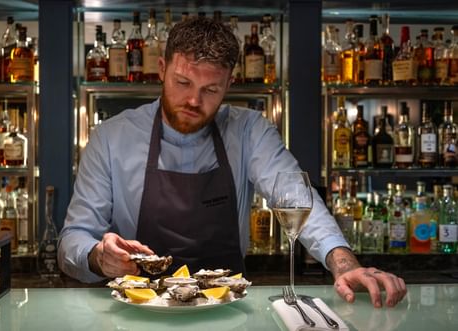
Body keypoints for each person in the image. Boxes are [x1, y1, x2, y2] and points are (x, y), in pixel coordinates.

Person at [58, 17, 406, 308]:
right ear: (162, 69)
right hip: (139, 314)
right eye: (182, 82)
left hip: (226, 312)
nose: (194, 100)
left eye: (211, 89)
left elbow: (295, 196)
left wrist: (343, 262)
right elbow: (72, 239)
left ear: (230, 83)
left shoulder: (249, 129)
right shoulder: (110, 138)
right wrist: (97, 257)